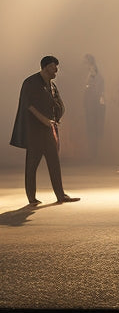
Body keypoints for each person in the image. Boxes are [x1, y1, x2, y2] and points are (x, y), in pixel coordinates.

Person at [10, 56, 80, 206]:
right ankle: (32, 198)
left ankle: (60, 195)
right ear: (47, 67)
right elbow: (28, 105)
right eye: (54, 67)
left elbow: (57, 103)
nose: (56, 70)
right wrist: (44, 120)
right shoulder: (31, 82)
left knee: (54, 162)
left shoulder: (51, 85)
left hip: (49, 129)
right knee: (32, 164)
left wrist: (56, 117)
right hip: (34, 131)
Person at [82, 54, 106, 162]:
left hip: (94, 105)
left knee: (93, 128)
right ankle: (93, 153)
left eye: (86, 62)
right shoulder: (91, 74)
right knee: (92, 128)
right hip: (91, 104)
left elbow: (96, 89)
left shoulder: (95, 75)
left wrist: (89, 90)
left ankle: (94, 154)